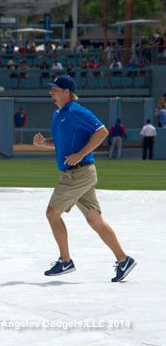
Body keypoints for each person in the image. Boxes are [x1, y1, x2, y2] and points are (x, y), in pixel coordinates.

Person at [32, 75, 136, 283]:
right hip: (81, 173)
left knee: (52, 213)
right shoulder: (58, 114)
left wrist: (80, 154)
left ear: (66, 92)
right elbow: (60, 143)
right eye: (51, 89)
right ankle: (124, 260)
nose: (51, 92)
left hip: (77, 172)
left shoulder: (76, 110)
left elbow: (102, 131)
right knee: (95, 220)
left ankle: (65, 260)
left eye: (55, 89)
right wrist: (45, 143)